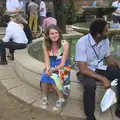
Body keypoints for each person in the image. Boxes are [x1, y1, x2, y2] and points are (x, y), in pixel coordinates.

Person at [75, 19, 120, 120]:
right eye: (106, 31)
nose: (108, 32)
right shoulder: (82, 42)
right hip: (86, 70)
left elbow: (108, 57)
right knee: (90, 85)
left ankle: (119, 109)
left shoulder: (105, 40)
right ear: (99, 34)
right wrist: (103, 79)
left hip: (100, 67)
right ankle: (90, 116)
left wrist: (117, 63)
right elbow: (82, 69)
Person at [40, 25, 71, 111]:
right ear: (48, 35)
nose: (54, 35)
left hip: (63, 66)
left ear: (59, 34)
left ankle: (61, 98)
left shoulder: (65, 44)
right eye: (52, 33)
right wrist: (48, 69)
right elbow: (46, 60)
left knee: (53, 76)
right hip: (52, 64)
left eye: (56, 33)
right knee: (45, 75)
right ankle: (44, 97)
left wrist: (52, 70)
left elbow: (63, 63)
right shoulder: (45, 44)